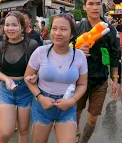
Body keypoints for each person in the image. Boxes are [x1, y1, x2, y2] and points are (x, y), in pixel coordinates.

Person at [24, 14, 88, 143]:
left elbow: (82, 84)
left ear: (71, 34)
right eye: (54, 28)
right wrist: (40, 98)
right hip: (42, 105)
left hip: (67, 107)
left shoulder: (80, 56)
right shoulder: (40, 52)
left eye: (63, 29)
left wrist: (72, 101)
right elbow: (27, 77)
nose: (58, 33)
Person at [75, 0, 120, 143]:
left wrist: (115, 79)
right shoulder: (78, 27)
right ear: (84, 6)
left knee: (93, 119)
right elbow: (63, 49)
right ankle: (74, 136)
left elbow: (115, 55)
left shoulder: (109, 30)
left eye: (97, 4)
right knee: (75, 113)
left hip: (100, 79)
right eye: (90, 4)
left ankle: (83, 141)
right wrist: (76, 50)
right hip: (77, 79)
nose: (95, 8)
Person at [0, 11, 39, 142]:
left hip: (26, 90)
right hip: (6, 90)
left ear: (22, 27)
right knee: (6, 131)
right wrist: (6, 79)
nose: (10, 28)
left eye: (14, 25)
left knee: (23, 130)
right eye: (7, 25)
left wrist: (35, 76)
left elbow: (40, 68)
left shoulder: (32, 45)